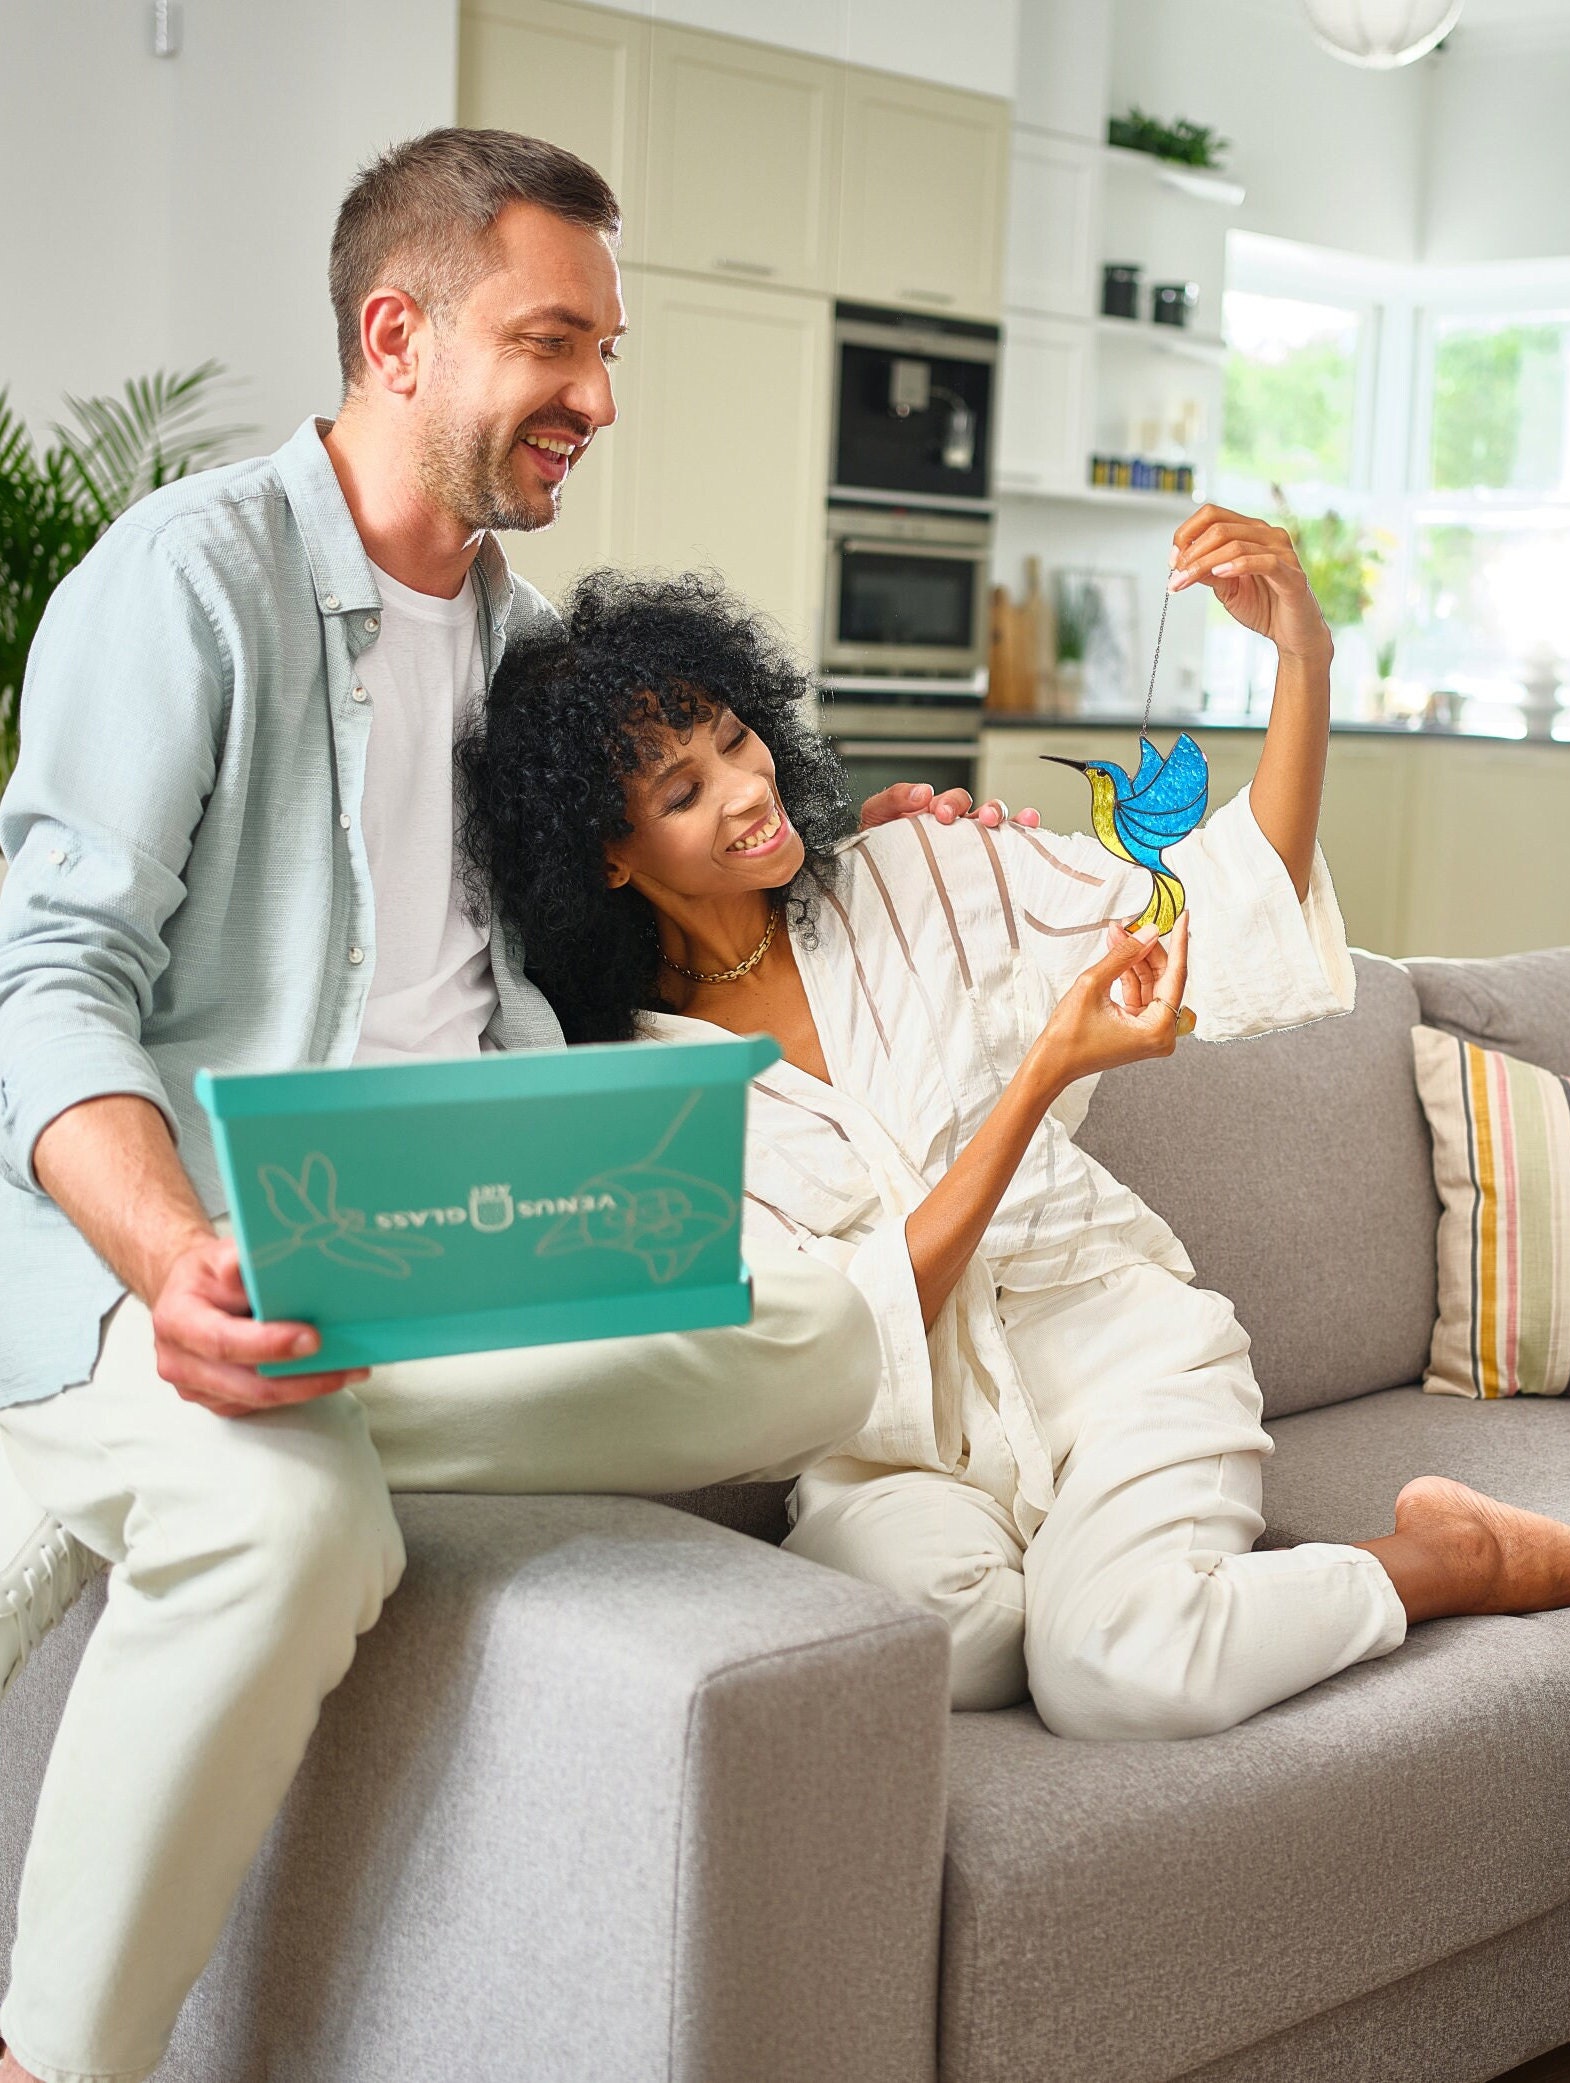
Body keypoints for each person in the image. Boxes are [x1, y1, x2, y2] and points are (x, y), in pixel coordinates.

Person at [0, 128, 1010, 2083]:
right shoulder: (186, 586)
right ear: (400, 334)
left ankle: (211, 1428)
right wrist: (174, 1260)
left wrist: (875, 847)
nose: (599, 401)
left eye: (607, 350)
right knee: (299, 1536)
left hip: (447, 1249)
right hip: (181, 1255)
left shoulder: (530, 656)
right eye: (557, 345)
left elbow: (676, 881)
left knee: (816, 1332)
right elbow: (43, 989)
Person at [462, 515, 1570, 1747]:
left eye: (737, 738)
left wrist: (1302, 655)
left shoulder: (919, 871)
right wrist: (1038, 1075)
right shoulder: (638, 1096)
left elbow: (1221, 896)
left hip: (1109, 1348)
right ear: (608, 858)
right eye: (684, 790)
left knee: (1114, 1676)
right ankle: (1142, 1580)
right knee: (949, 1650)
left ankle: (1452, 1556)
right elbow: (837, 1332)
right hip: (896, 1449)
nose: (746, 789)